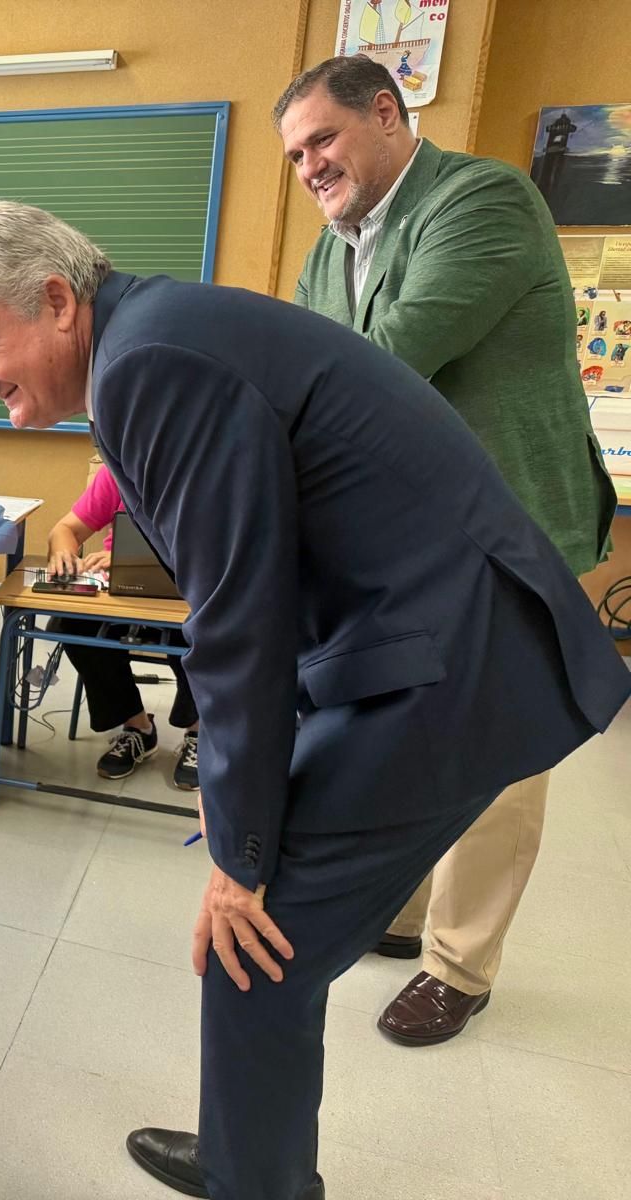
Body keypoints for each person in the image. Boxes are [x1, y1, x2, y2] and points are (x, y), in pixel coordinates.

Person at [0, 200, 630, 1199]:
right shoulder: (153, 338)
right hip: (424, 642)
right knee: (260, 939)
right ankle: (242, 1153)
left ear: (54, 299)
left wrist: (239, 855)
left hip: (449, 665)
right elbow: (269, 580)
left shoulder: (150, 364)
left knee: (255, 942)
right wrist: (251, 800)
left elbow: (235, 610)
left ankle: (257, 1181)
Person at [277, 55, 618, 1046]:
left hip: (516, 527)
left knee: (499, 748)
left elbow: (377, 360)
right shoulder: (328, 247)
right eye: (295, 154)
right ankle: (411, 902)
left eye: (323, 140)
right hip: (410, 539)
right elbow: (308, 363)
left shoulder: (482, 201)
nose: (308, 167)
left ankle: (458, 965)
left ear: (386, 114)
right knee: (410, 720)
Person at [46, 464, 200, 788]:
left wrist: (132, 561)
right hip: (121, 595)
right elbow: (65, 530)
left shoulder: (202, 470)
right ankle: (138, 728)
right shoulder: (118, 471)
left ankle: (201, 731)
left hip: (185, 597)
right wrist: (64, 554)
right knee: (69, 624)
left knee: (205, 633)